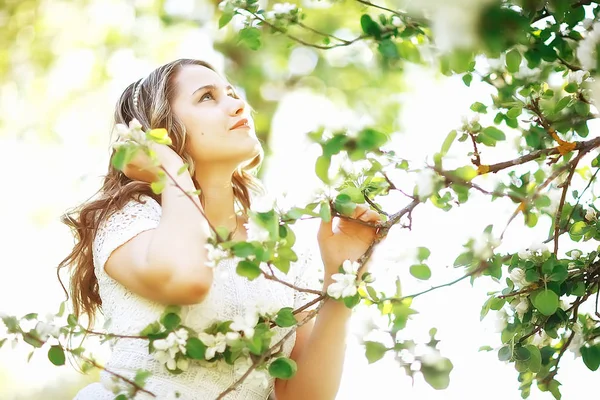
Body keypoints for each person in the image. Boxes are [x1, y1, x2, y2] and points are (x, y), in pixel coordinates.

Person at [60, 58, 380, 399]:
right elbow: (188, 280)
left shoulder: (274, 248)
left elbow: (303, 396)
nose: (237, 104)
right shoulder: (131, 220)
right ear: (161, 131)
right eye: (207, 97)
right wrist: (170, 168)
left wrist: (341, 279)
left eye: (231, 93)